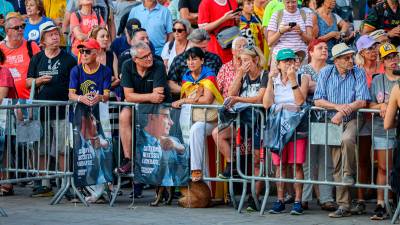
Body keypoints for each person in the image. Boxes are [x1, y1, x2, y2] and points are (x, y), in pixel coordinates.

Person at [313, 43, 370, 218]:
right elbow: (318, 100)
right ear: (336, 60)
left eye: (351, 56)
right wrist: (338, 108)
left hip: (353, 118)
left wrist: (344, 111)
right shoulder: (326, 72)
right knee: (336, 162)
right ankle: (343, 205)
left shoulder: (358, 72)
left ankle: (348, 174)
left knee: (347, 139)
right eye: (346, 58)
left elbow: (362, 101)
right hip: (333, 120)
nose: (350, 60)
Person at [26, 20, 76, 197]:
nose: (55, 37)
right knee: (41, 149)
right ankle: (44, 184)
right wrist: (38, 81)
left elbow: (74, 83)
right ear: (43, 41)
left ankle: (65, 184)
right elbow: (28, 81)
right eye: (50, 35)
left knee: (63, 149)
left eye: (56, 33)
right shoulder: (37, 58)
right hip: (42, 112)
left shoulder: (69, 59)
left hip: (62, 111)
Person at [263, 48, 309, 215]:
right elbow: (267, 104)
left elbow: (299, 101)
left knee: (297, 164)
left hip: (297, 127)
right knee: (279, 165)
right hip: (277, 127)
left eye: (292, 60)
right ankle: (280, 200)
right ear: (279, 64)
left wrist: (292, 80)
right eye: (286, 61)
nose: (290, 63)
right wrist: (269, 80)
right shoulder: (273, 80)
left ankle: (297, 201)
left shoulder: (302, 77)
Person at [116, 41, 169, 174]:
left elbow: (159, 96)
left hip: (157, 108)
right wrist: (150, 96)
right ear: (135, 59)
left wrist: (141, 97)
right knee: (124, 115)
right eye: (144, 57)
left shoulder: (158, 65)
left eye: (150, 54)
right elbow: (128, 96)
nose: (149, 58)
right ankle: (128, 159)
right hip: (138, 106)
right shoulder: (127, 65)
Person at [171, 47, 223, 182]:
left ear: (202, 60)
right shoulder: (186, 77)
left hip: (211, 119)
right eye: (188, 59)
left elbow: (207, 100)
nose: (191, 62)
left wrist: (184, 100)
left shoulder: (209, 75)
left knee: (195, 130)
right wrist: (192, 98)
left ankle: (196, 170)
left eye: (194, 59)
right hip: (193, 117)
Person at [297, 39, 337, 211]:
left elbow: (335, 90)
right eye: (320, 48)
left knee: (326, 160)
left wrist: (314, 86)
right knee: (308, 160)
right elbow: (302, 90)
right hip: (310, 118)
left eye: (326, 48)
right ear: (311, 52)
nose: (324, 50)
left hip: (329, 117)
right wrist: (321, 87)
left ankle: (326, 198)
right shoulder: (304, 69)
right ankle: (305, 198)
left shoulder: (332, 69)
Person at [369, 43, 398, 220]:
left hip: (398, 129)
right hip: (382, 129)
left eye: (394, 56)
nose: (392, 60)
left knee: (397, 168)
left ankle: (394, 200)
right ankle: (381, 202)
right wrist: (382, 105)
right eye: (388, 57)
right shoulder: (377, 79)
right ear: (382, 61)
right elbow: (370, 104)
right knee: (383, 167)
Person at [135, 105, 187, 186]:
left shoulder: (173, 141)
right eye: (166, 116)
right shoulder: (138, 142)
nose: (171, 122)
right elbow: (150, 177)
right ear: (152, 117)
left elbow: (187, 171)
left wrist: (181, 149)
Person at [167, 28, 222, 100]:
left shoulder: (215, 59)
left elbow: (221, 81)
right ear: (189, 42)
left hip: (210, 100)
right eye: (197, 47)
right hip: (184, 100)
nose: (201, 51)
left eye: (204, 47)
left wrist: (206, 92)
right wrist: (190, 91)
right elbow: (170, 84)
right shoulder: (179, 59)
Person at [0, 12, 41, 99]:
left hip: (29, 104)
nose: (20, 29)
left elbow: (40, 70)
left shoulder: (32, 46)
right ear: (7, 31)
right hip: (5, 104)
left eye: (22, 26)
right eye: (16, 28)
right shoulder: (0, 48)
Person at [267, 0, 313, 70]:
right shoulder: (277, 15)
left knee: (300, 80)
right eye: (288, 2)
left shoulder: (306, 15)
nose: (291, 5)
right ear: (283, 2)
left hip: (300, 58)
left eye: (293, 2)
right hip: (281, 58)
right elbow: (270, 42)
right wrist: (281, 32)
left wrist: (301, 33)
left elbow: (310, 40)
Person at [68, 38, 112, 106]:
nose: (84, 54)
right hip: (80, 109)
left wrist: (99, 97)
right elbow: (71, 95)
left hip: (99, 109)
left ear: (97, 52)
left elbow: (107, 95)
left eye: (88, 51)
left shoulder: (106, 71)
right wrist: (81, 98)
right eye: (82, 51)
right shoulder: (76, 70)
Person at [0, 47, 18, 197]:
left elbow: (1, 96)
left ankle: (6, 182)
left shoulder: (4, 71)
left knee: (4, 150)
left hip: (5, 116)